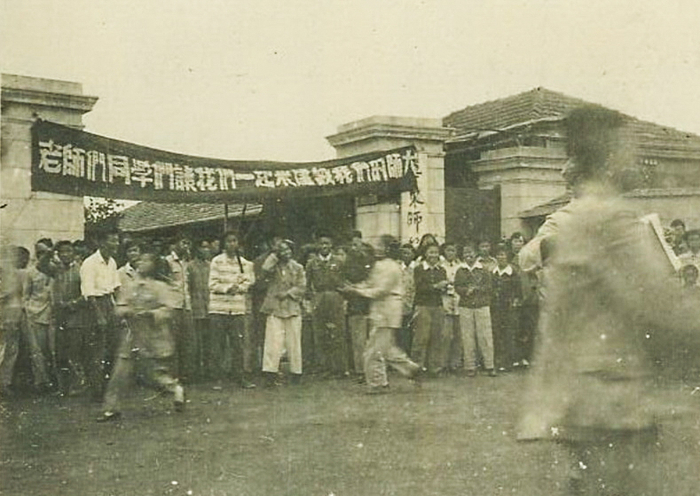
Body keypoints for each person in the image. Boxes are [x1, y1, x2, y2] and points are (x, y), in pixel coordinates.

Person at [517, 106, 700, 495]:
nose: (635, 156)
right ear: (608, 153)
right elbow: (663, 305)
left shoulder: (591, 216)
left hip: (581, 395)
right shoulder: (608, 218)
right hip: (608, 400)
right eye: (628, 145)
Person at [98, 251, 184, 422]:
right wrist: (127, 311)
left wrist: (151, 314)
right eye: (140, 260)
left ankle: (175, 389)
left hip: (152, 335)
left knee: (151, 374)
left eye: (146, 260)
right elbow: (119, 307)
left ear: (154, 265)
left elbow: (168, 310)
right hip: (131, 334)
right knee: (119, 372)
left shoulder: (161, 287)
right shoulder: (130, 286)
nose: (141, 263)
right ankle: (111, 408)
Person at [342, 235, 421, 393]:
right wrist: (354, 287)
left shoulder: (392, 267)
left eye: (380, 245)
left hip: (388, 309)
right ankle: (409, 369)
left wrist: (356, 291)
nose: (377, 248)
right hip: (380, 309)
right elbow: (370, 283)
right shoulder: (379, 264)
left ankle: (378, 383)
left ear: (388, 248)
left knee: (373, 350)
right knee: (385, 347)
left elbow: (381, 290)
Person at [208, 231, 256, 388]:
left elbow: (249, 282)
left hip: (237, 309)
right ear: (224, 244)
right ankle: (217, 378)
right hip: (218, 309)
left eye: (234, 241)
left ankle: (240, 377)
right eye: (229, 241)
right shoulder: (216, 261)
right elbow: (212, 284)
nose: (232, 244)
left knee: (238, 344)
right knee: (218, 345)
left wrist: (240, 288)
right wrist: (227, 288)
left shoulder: (244, 263)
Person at [80, 229, 121, 399]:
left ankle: (107, 388)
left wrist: (120, 309)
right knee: (97, 351)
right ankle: (95, 390)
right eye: (113, 240)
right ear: (102, 242)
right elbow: (89, 292)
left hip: (109, 304)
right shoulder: (89, 263)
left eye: (117, 241)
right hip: (94, 306)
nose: (116, 244)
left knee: (112, 348)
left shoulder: (112, 262)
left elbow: (116, 288)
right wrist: (99, 316)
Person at [260, 240, 306, 386]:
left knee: (294, 342)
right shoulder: (273, 267)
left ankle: (296, 372)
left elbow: (302, 286)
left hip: (292, 307)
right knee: (273, 342)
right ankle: (270, 373)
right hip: (275, 308)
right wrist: (274, 255)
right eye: (282, 251)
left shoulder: (298, 267)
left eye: (288, 250)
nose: (286, 253)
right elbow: (264, 269)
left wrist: (287, 293)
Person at [52, 241, 91, 396]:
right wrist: (52, 249)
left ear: (74, 253)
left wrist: (71, 304)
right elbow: (41, 265)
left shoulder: (81, 270)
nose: (65, 254)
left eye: (68, 251)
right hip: (60, 318)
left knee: (75, 353)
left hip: (76, 318)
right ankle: (63, 387)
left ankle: (79, 384)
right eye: (62, 251)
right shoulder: (56, 270)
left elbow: (87, 294)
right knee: (60, 353)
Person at [306, 234, 346, 377]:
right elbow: (307, 284)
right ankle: (323, 367)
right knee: (320, 332)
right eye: (321, 243)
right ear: (317, 245)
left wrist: (343, 297)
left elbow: (344, 280)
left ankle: (339, 368)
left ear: (331, 245)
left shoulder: (339, 262)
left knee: (337, 332)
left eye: (327, 243)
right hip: (319, 297)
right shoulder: (312, 263)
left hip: (335, 296)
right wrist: (312, 299)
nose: (324, 246)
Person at [454, 243, 495, 377]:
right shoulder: (460, 270)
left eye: (471, 252)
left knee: (485, 336)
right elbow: (457, 287)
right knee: (467, 336)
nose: (468, 255)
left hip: (482, 305)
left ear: (476, 254)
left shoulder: (483, 270)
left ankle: (489, 365)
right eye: (465, 253)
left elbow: (489, 287)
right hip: (465, 306)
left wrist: (476, 289)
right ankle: (470, 366)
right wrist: (466, 291)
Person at [23, 239, 56, 392]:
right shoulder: (30, 272)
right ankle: (42, 382)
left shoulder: (56, 269)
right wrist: (30, 310)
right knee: (38, 350)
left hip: (54, 314)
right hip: (36, 314)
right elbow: (26, 295)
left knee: (54, 349)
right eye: (39, 253)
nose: (42, 255)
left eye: (45, 252)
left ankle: (57, 381)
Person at [411, 243, 448, 374]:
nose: (433, 255)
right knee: (421, 337)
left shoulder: (441, 270)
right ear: (425, 254)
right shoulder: (419, 269)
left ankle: (435, 367)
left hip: (437, 305)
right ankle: (417, 367)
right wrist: (436, 286)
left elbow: (443, 289)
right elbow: (420, 288)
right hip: (423, 305)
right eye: (431, 252)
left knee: (437, 336)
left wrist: (443, 287)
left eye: (436, 252)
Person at [165, 233, 196, 383]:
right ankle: (172, 374)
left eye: (188, 243)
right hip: (173, 306)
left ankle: (185, 374)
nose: (186, 246)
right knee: (172, 341)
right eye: (183, 243)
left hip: (186, 306)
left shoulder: (187, 263)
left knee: (187, 341)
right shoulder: (167, 261)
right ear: (176, 244)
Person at [343, 232, 373, 379]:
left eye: (358, 244)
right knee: (358, 340)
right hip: (355, 304)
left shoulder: (370, 260)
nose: (356, 248)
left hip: (371, 304)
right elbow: (344, 282)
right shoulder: (346, 263)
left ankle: (372, 368)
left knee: (372, 339)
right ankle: (360, 370)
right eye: (353, 245)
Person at [490, 247, 521, 372]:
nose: (501, 257)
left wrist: (514, 303)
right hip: (495, 307)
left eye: (503, 255)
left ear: (507, 257)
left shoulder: (513, 273)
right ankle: (498, 361)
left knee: (509, 334)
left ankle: (509, 361)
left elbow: (518, 292)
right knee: (496, 333)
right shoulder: (493, 273)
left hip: (509, 308)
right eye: (498, 255)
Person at [0, 245, 24, 398]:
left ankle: (5, 383)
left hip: (12, 318)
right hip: (4, 318)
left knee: (11, 351)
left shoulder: (14, 275)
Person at [187, 239, 212, 383]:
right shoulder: (190, 266)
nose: (206, 250)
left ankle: (208, 370)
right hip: (196, 309)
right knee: (196, 342)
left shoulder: (211, 266)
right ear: (197, 249)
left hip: (210, 308)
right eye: (203, 247)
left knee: (209, 341)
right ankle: (196, 371)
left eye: (207, 247)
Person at [441, 242, 463, 373]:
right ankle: (443, 362)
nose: (450, 253)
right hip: (445, 301)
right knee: (445, 335)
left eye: (453, 250)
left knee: (458, 334)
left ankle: (455, 363)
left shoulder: (460, 266)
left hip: (458, 301)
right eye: (448, 250)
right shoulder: (440, 266)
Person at [397, 243, 416, 354]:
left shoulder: (417, 268)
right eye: (404, 253)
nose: (406, 255)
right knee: (401, 332)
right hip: (400, 304)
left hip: (414, 303)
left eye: (408, 253)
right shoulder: (397, 267)